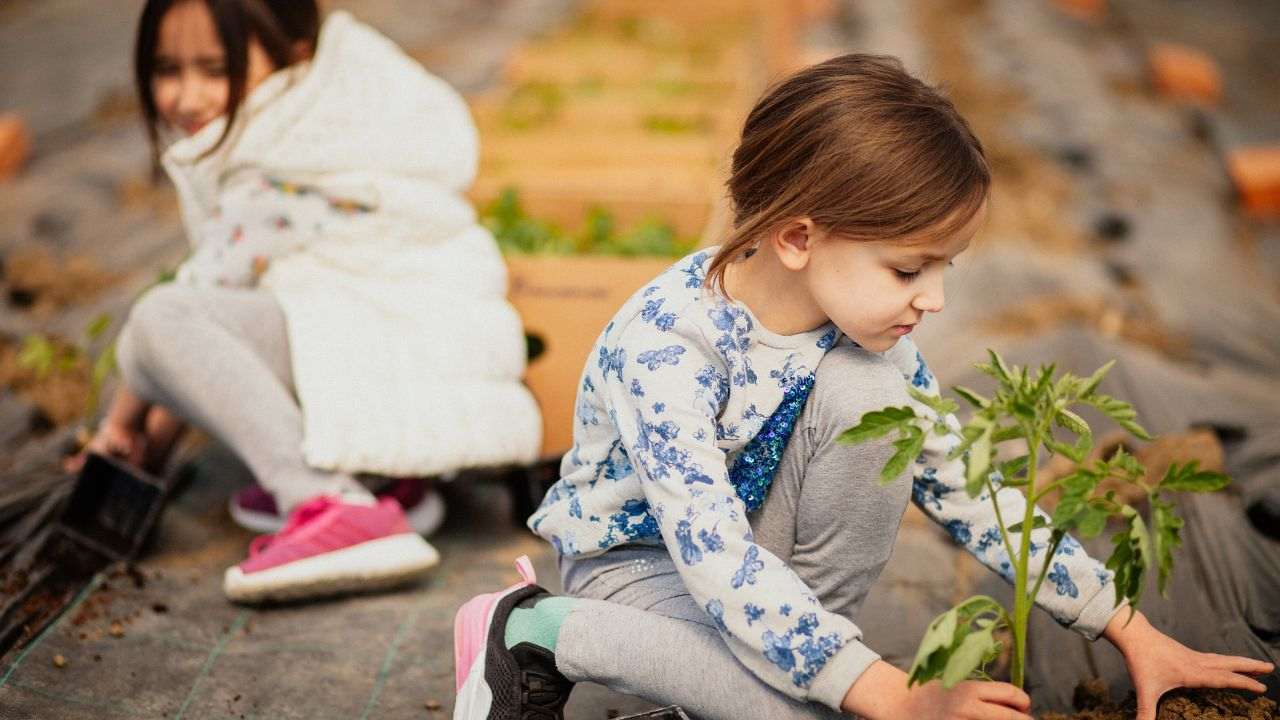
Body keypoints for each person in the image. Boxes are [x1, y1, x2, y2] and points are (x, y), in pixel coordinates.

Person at [451, 55, 1273, 720]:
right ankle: (535, 629)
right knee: (817, 708)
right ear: (798, 236)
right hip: (641, 563)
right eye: (910, 269)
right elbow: (718, 558)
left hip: (753, 566)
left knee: (878, 407)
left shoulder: (865, 342)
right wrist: (886, 691)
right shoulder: (667, 349)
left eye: (946, 269)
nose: (937, 300)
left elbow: (969, 491)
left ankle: (754, 677)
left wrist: (1127, 627)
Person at [78, 0, 542, 602]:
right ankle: (384, 483)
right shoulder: (343, 122)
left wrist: (118, 428)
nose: (187, 97)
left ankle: (329, 502)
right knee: (182, 329)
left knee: (155, 317)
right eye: (168, 69)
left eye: (215, 69)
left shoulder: (276, 169)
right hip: (407, 362)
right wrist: (150, 441)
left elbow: (181, 323)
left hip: (381, 349)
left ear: (293, 55)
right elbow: (212, 339)